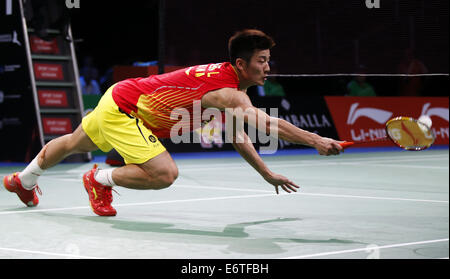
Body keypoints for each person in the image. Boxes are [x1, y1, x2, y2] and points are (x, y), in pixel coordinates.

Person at [3, 29, 343, 216]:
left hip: (119, 97)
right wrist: (316, 140)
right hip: (128, 110)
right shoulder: (228, 92)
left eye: (269, 60)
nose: (268, 68)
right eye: (262, 61)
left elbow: (240, 137)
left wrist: (267, 174)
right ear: (241, 63)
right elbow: (264, 123)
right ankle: (98, 179)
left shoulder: (230, 87)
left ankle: (24, 179)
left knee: (74, 143)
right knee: (165, 174)